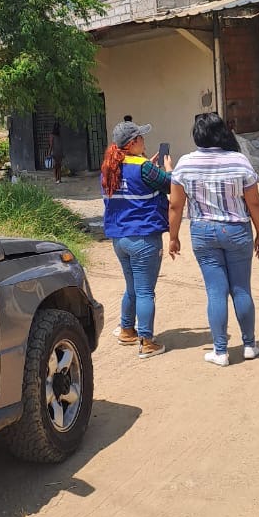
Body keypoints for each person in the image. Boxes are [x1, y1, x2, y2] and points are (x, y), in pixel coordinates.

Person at [169, 113, 259, 367]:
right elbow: (254, 202)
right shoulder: (239, 161)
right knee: (241, 289)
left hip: (203, 232)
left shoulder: (185, 164)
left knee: (216, 292)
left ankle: (220, 351)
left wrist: (173, 237)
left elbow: (175, 206)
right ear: (222, 132)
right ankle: (249, 345)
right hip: (237, 231)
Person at [101, 120, 172, 359]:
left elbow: (131, 184)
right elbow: (169, 185)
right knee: (145, 292)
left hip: (119, 239)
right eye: (141, 138)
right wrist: (168, 170)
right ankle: (147, 341)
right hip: (143, 238)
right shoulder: (143, 167)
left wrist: (147, 166)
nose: (144, 141)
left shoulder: (110, 166)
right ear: (132, 143)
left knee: (132, 288)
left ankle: (126, 330)